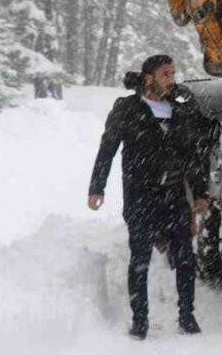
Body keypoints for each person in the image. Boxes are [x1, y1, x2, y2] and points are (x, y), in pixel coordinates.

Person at [87, 54, 211, 340]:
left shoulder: (179, 111)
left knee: (185, 257)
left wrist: (200, 192)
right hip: (140, 194)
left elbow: (192, 156)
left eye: (173, 73)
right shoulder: (127, 109)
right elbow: (107, 149)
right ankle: (140, 320)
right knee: (140, 257)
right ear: (148, 78)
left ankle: (187, 316)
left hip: (174, 194)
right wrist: (97, 187)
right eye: (165, 74)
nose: (171, 79)